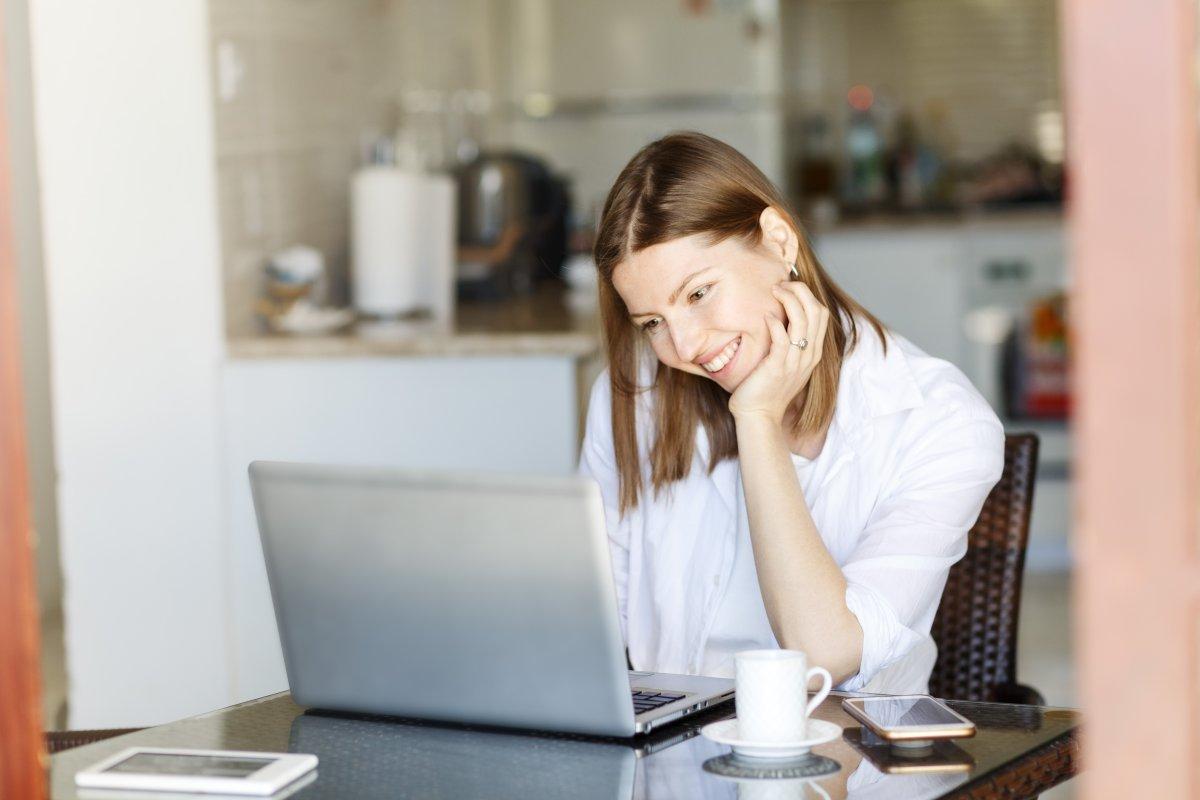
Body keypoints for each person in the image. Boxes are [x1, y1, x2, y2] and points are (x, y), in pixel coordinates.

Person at [578, 132, 1004, 694]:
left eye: (699, 294)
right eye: (653, 323)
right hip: (674, 745)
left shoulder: (942, 423)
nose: (684, 346)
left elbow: (824, 656)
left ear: (779, 242)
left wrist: (757, 420)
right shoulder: (635, 397)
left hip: (848, 744)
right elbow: (588, 627)